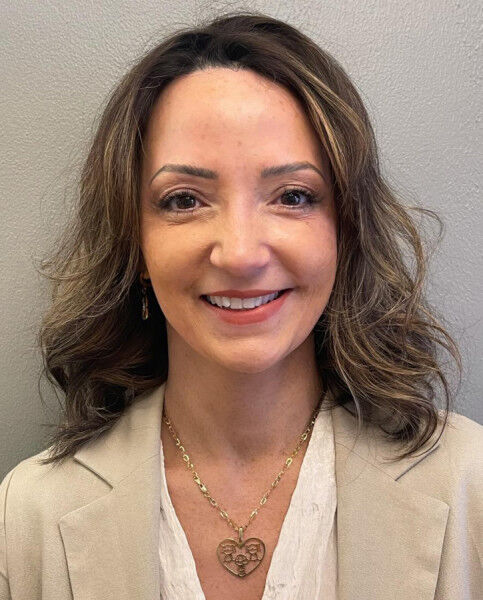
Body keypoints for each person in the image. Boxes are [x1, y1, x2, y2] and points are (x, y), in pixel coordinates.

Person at [0, 10, 481, 600]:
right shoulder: (31, 513)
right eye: (183, 200)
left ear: (346, 230)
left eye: (294, 196)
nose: (240, 253)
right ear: (134, 241)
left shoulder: (470, 484)